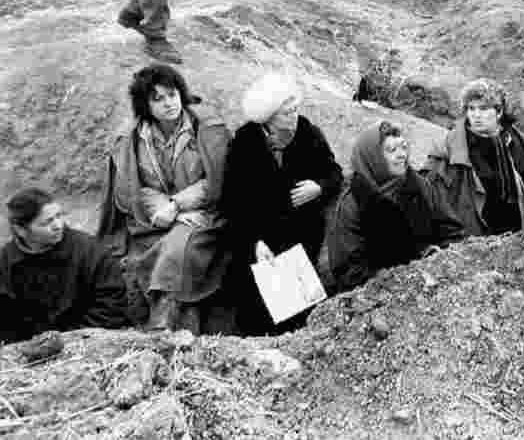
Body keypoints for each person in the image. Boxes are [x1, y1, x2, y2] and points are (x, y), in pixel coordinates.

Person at [96, 64, 231, 333]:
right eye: (157, 99)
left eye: (172, 95)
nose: (168, 103)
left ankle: (163, 316)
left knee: (179, 244)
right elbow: (135, 188)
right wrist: (170, 211)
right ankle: (180, 322)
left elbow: (216, 181)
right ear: (145, 105)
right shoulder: (134, 139)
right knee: (170, 243)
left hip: (205, 211)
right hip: (154, 217)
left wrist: (178, 204)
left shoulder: (207, 129)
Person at [221, 72, 343, 335]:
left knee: (299, 292)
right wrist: (255, 241)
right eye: (287, 113)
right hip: (258, 231)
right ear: (269, 118)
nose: (294, 116)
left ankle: (299, 335)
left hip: (301, 228)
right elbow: (233, 201)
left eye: (296, 109)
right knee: (256, 291)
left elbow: (334, 172)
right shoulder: (245, 142)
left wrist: (318, 186)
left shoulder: (307, 132)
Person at [328, 121, 466, 291]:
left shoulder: (420, 185)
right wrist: (401, 278)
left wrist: (438, 258)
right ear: (373, 157)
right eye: (391, 150)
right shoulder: (352, 203)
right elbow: (348, 271)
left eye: (403, 147)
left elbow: (453, 232)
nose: (402, 155)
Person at [425, 78, 524, 245]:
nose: (476, 115)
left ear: (499, 111)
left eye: (483, 108)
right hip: (474, 241)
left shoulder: (518, 142)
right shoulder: (450, 147)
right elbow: (433, 199)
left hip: (519, 237)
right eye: (471, 109)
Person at [0, 188, 131, 343]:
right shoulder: (5, 263)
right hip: (30, 349)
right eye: (47, 222)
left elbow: (113, 305)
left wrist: (70, 339)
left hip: (87, 340)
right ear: (20, 230)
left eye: (58, 216)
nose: (58, 225)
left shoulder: (89, 251)